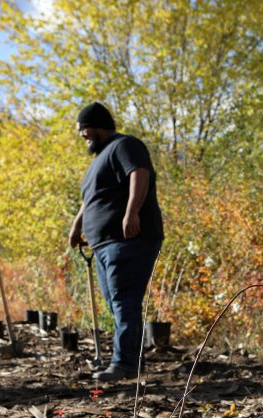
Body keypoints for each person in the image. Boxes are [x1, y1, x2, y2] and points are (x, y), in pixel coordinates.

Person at [69, 102, 164, 382]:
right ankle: (130, 359)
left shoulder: (125, 145)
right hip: (103, 244)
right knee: (116, 302)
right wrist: (77, 227)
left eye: (83, 128)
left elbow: (139, 173)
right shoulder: (98, 161)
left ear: (97, 124)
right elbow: (91, 200)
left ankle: (124, 364)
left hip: (128, 240)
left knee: (125, 301)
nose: (81, 135)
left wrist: (132, 211)